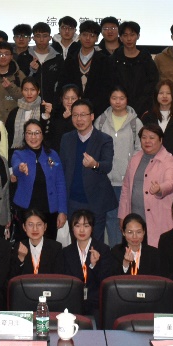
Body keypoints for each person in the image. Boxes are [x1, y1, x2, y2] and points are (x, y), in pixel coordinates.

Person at [58, 99, 115, 245]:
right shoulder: (66, 138)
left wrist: (95, 164)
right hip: (73, 202)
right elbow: (62, 171)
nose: (79, 119)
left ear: (92, 116)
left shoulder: (104, 139)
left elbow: (107, 165)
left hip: (96, 202)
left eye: (83, 115)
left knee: (95, 244)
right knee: (75, 244)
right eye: (75, 115)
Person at [95, 85, 143, 246]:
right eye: (114, 98)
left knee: (123, 218)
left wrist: (130, 170)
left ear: (127, 100)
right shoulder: (101, 120)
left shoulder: (135, 122)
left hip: (126, 180)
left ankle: (121, 252)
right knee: (107, 217)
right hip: (105, 179)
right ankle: (110, 253)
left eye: (121, 98)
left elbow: (140, 149)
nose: (118, 102)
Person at [117, 124, 173, 246]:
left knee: (156, 253)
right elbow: (126, 188)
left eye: (152, 138)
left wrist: (159, 189)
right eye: (144, 137)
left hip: (159, 220)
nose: (147, 141)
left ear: (160, 140)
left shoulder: (169, 160)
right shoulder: (135, 159)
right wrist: (122, 215)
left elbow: (171, 183)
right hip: (135, 220)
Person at [10, 118, 67, 240]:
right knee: (24, 246)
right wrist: (20, 168)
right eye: (29, 133)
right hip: (25, 210)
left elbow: (60, 183)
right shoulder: (19, 154)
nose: (33, 137)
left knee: (48, 246)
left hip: (49, 210)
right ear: (24, 135)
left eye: (37, 133)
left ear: (42, 135)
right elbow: (16, 167)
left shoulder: (52, 155)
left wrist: (62, 211)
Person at [57, 20, 112, 116]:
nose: (88, 38)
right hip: (72, 110)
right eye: (85, 35)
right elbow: (62, 85)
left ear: (97, 39)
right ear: (79, 36)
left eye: (92, 36)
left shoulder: (104, 60)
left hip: (97, 111)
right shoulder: (70, 59)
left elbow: (106, 89)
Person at [61, 209, 109, 315]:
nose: (82, 230)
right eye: (77, 226)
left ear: (92, 228)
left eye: (86, 226)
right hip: (72, 303)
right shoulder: (66, 252)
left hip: (96, 304)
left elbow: (105, 282)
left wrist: (94, 265)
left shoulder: (103, 249)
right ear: (72, 228)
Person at [110, 20, 159, 118]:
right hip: (118, 106)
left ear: (138, 36)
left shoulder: (146, 60)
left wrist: (141, 103)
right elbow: (110, 84)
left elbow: (152, 84)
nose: (129, 39)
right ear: (120, 37)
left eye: (132, 35)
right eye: (125, 35)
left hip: (144, 108)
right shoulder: (114, 60)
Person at [10, 208, 64, 278]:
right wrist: (21, 259)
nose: (35, 229)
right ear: (24, 227)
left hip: (48, 284)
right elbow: (12, 277)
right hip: (26, 285)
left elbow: (59, 276)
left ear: (45, 227)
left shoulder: (56, 247)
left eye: (39, 224)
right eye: (30, 225)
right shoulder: (19, 246)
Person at [107, 213, 164, 278]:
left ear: (144, 232)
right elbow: (112, 278)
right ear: (123, 232)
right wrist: (125, 264)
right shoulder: (116, 252)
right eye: (130, 232)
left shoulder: (154, 253)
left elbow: (158, 279)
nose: (134, 237)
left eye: (138, 232)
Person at [5, 77, 49, 150]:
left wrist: (47, 115)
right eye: (26, 90)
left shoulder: (45, 110)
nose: (29, 93)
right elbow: (8, 136)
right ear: (22, 91)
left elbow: (48, 134)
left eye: (33, 90)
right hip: (18, 152)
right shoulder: (14, 113)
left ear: (38, 91)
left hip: (40, 151)